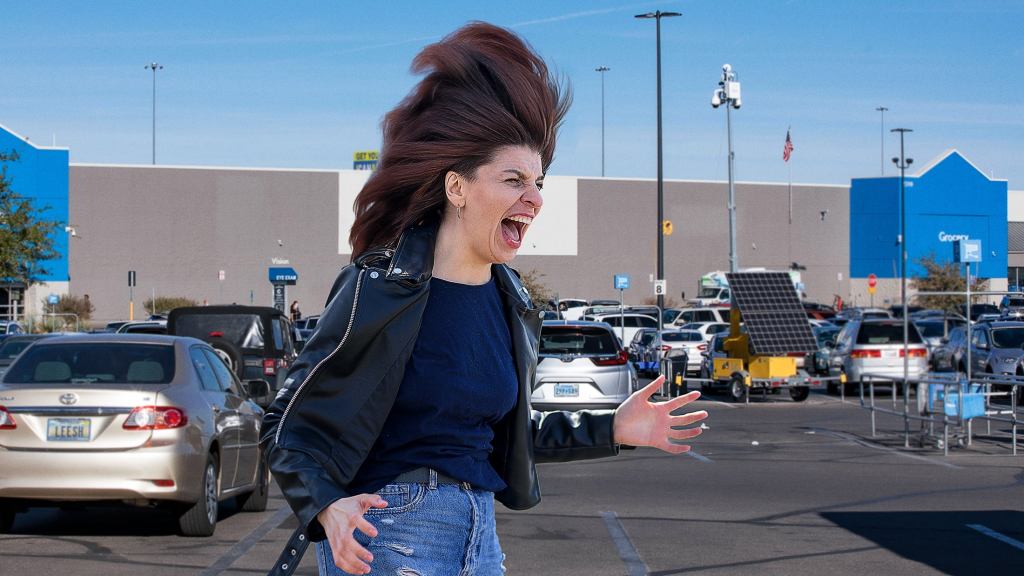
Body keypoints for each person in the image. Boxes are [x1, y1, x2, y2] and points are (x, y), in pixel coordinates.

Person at [261, 22, 708, 576]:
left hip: (481, 537)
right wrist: (326, 507)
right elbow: (287, 424)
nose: (535, 198)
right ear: (458, 189)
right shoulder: (381, 288)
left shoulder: (511, 303)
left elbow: (506, 437)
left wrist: (612, 427)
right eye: (514, 179)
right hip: (389, 530)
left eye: (539, 181)